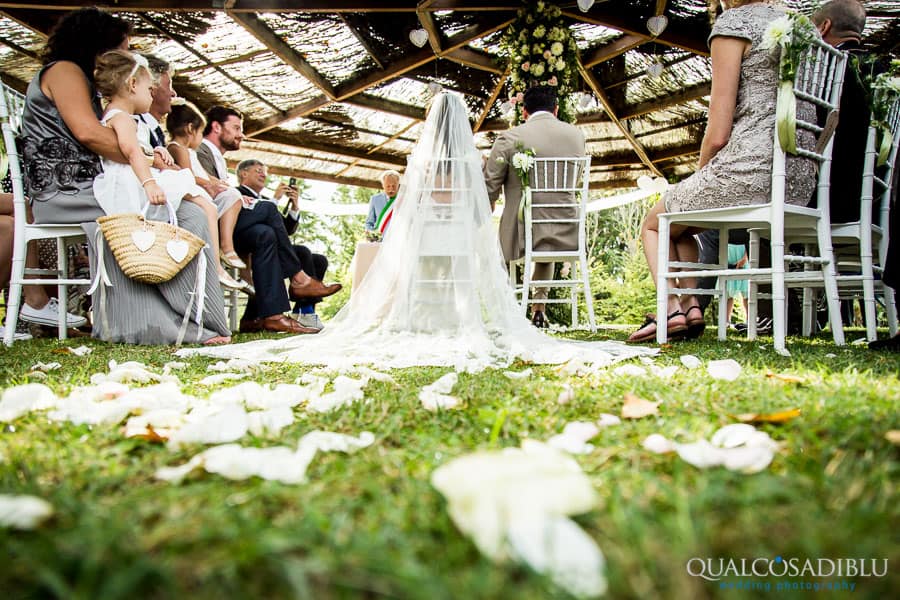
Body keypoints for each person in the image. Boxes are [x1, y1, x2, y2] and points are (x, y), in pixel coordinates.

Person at [179, 93, 651, 371]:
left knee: (420, 244)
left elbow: (409, 206)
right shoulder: (570, 138)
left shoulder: (427, 162)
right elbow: (476, 202)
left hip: (431, 238)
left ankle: (422, 314)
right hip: (558, 225)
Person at [20, 7, 230, 345]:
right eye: (126, 46)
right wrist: (150, 162)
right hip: (68, 191)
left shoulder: (86, 83)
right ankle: (152, 323)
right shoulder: (64, 71)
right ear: (99, 46)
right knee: (165, 212)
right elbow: (89, 134)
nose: (131, 54)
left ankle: (195, 315)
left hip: (92, 184)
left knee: (188, 211)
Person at [628, 0, 817, 343]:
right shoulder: (802, 27)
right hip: (801, 176)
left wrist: (700, 176)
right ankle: (690, 307)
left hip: (751, 169)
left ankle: (669, 307)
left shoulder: (735, 24)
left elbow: (717, 133)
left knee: (654, 225)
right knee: (680, 229)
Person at [195, 106, 340, 334]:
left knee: (266, 233)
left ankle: (273, 316)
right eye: (236, 128)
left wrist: (294, 205)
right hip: (217, 228)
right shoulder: (200, 150)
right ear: (216, 127)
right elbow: (209, 190)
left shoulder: (220, 160)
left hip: (242, 230)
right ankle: (300, 280)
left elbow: (285, 229)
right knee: (270, 213)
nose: (241, 134)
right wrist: (269, 201)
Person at [484, 85, 586, 329]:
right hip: (567, 226)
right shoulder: (577, 136)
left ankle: (507, 308)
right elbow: (577, 180)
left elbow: (489, 184)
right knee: (545, 248)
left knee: (498, 249)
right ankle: (539, 310)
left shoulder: (510, 137)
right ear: (556, 109)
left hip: (521, 230)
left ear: (524, 112)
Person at [235, 159, 331, 332]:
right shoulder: (235, 194)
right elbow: (244, 223)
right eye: (258, 170)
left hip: (272, 244)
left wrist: (294, 205)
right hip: (250, 247)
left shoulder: (265, 201)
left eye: (265, 171)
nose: (263, 174)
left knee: (319, 260)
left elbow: (285, 230)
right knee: (301, 252)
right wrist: (275, 199)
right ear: (244, 173)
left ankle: (303, 310)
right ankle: (300, 292)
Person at [165, 101, 250, 292]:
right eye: (200, 132)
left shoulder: (189, 151)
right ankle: (217, 263)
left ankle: (226, 249)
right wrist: (208, 184)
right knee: (212, 208)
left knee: (232, 194)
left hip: (200, 189)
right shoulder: (179, 148)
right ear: (190, 129)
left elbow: (203, 174)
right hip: (190, 191)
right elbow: (188, 176)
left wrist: (216, 182)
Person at [810, 0, 869, 224]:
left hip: (831, 198)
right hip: (874, 202)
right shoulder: (880, 72)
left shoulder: (823, 70)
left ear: (824, 26)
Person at [365, 170, 400, 240]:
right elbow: (369, 223)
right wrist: (372, 236)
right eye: (388, 186)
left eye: (394, 186)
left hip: (398, 241)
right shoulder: (375, 199)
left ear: (398, 185)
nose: (391, 189)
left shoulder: (404, 199)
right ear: (383, 185)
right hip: (380, 241)